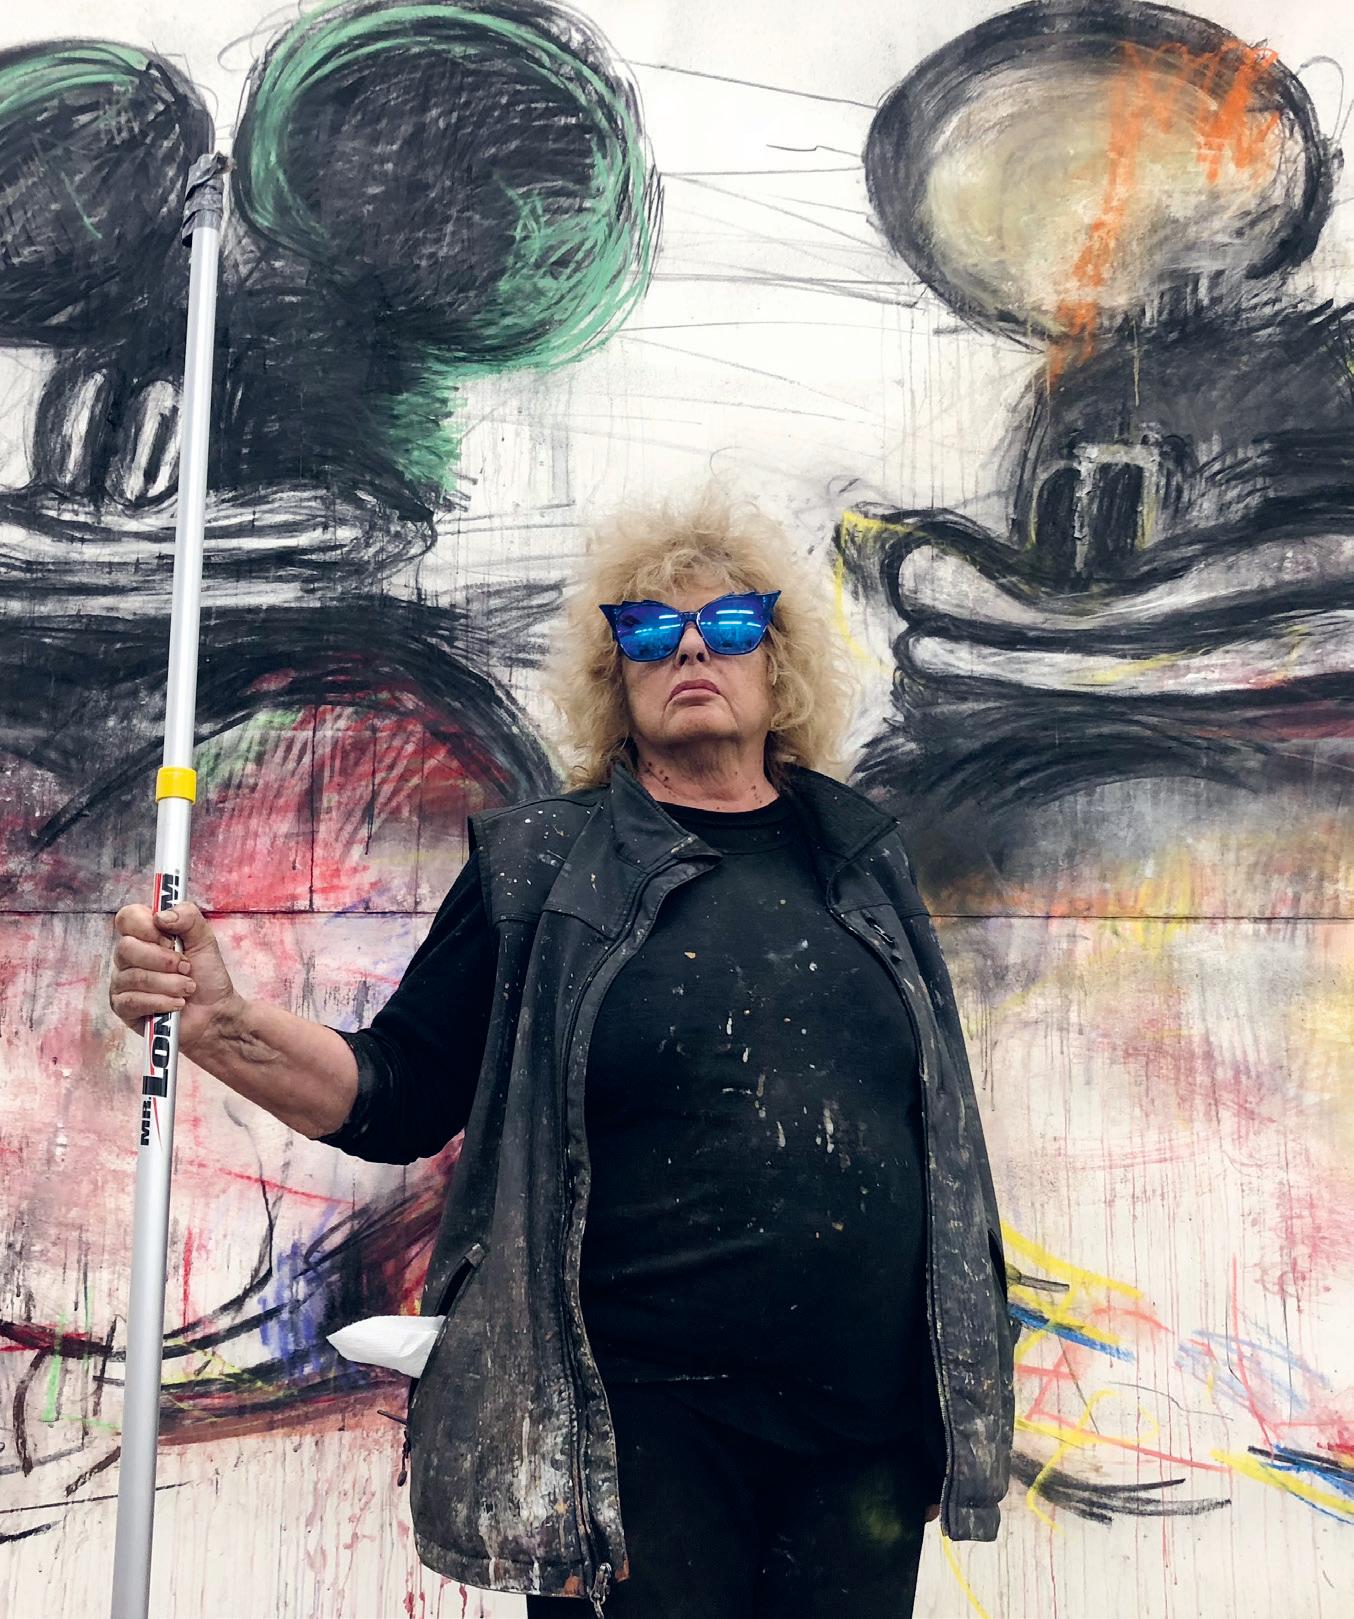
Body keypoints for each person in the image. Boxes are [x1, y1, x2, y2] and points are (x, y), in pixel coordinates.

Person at [108, 489, 1017, 1618]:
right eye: (651, 628)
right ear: (612, 673)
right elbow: (398, 1092)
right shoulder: (543, 869)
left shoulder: (860, 857)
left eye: (731, 622)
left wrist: (953, 1390)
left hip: (859, 1436)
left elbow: (941, 1136)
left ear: (776, 661)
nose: (691, 647)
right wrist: (220, 1023)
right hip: (631, 1440)